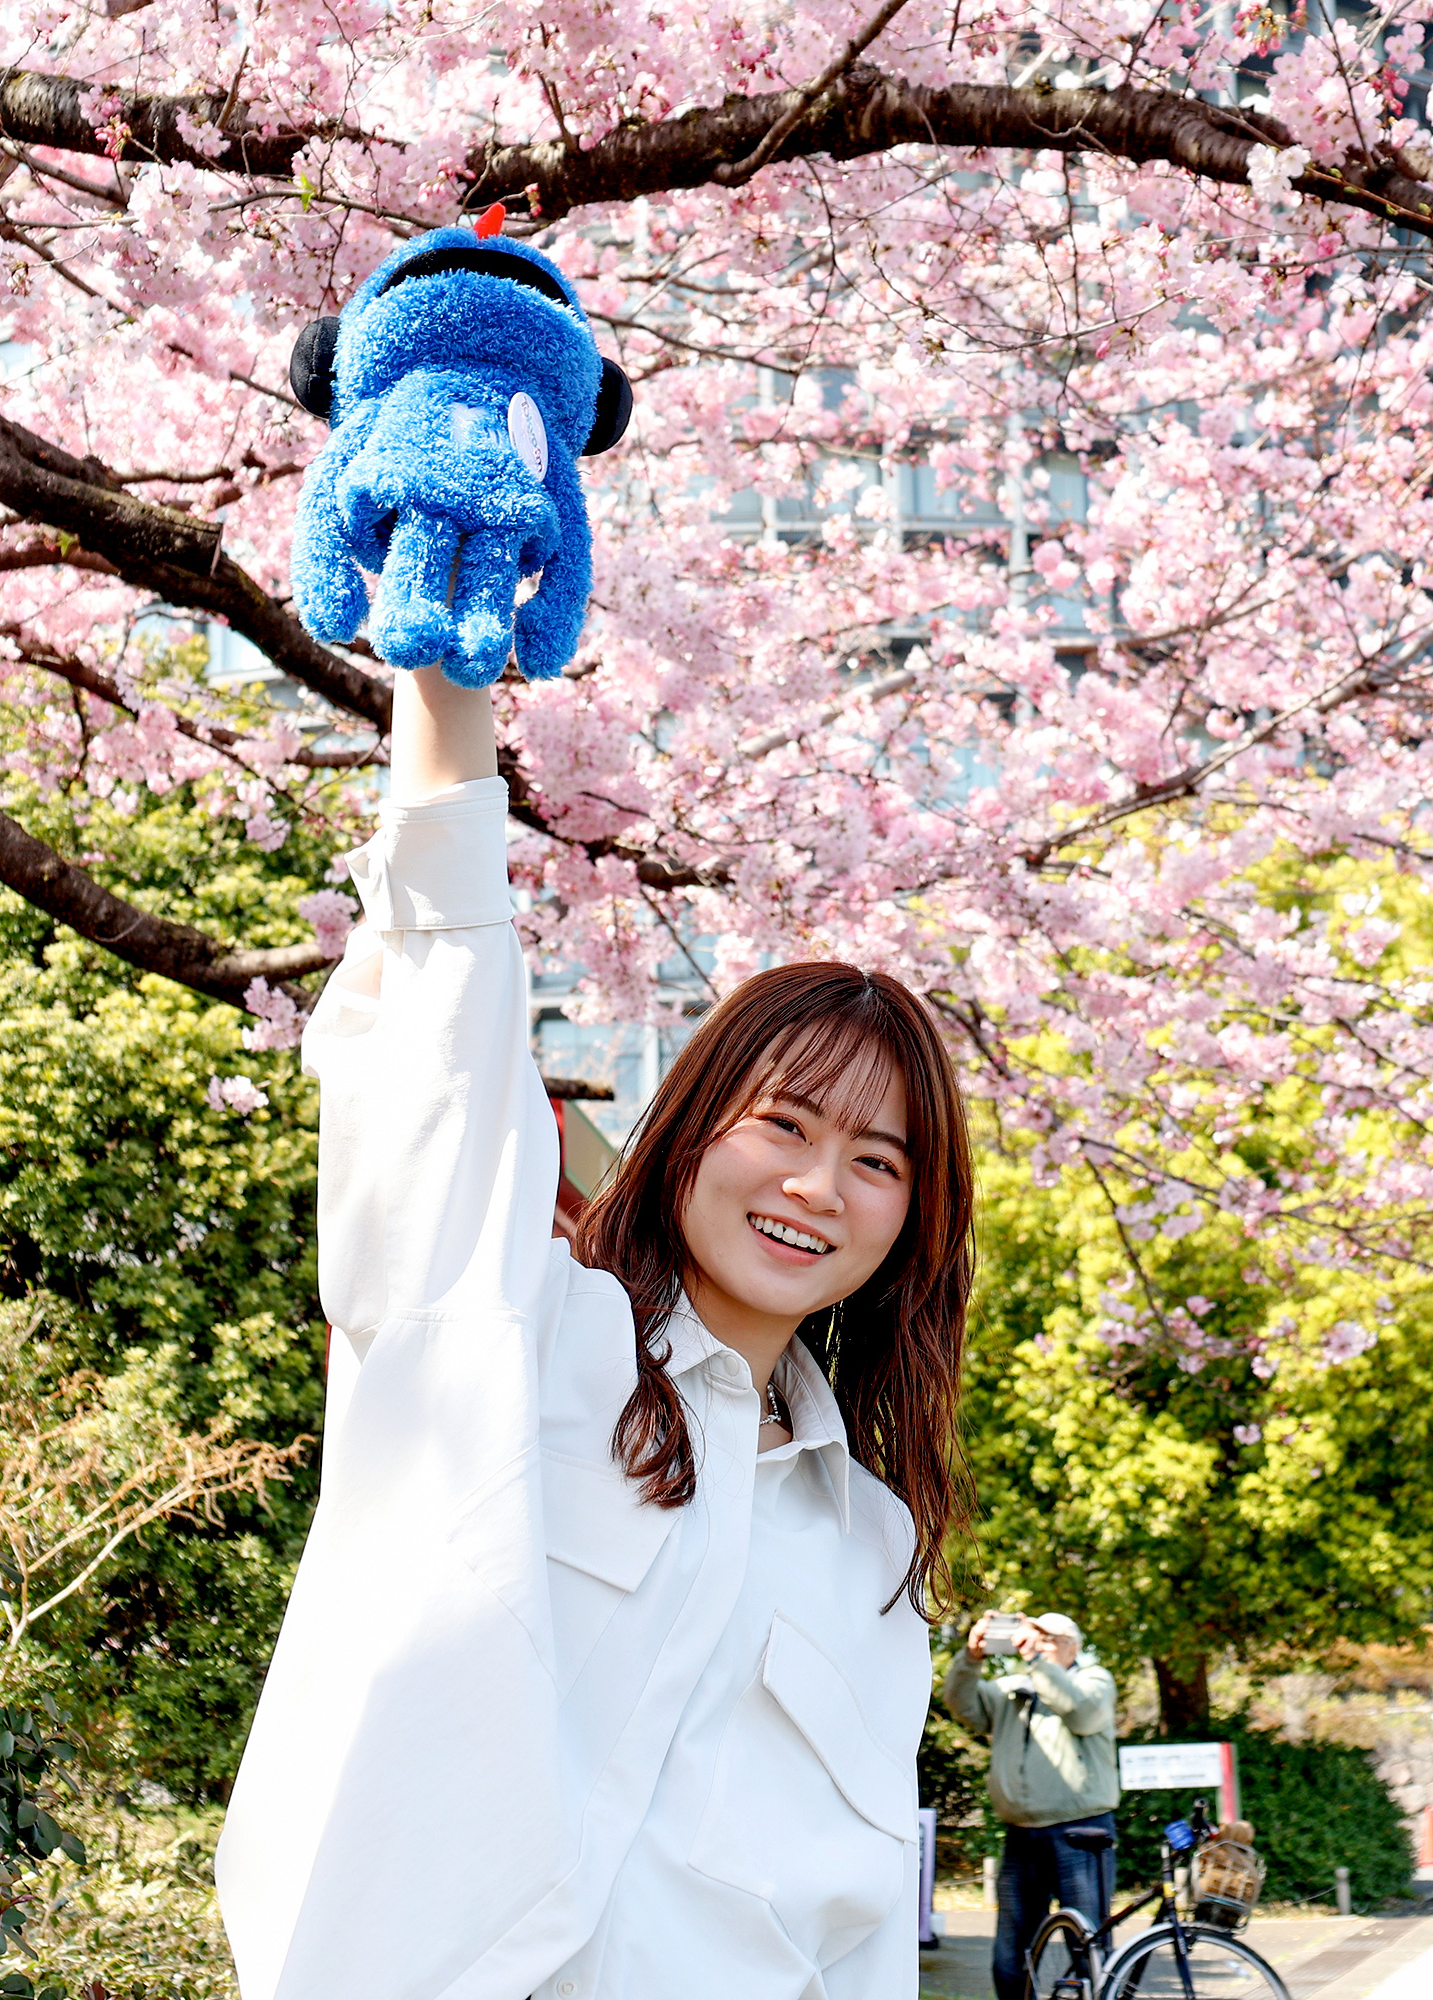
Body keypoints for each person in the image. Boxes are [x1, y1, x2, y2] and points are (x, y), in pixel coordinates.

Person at [209, 665, 977, 1999]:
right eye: (783, 1125)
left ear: (911, 1221)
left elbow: (853, 1929)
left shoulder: (869, 1545)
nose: (816, 1188)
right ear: (692, 1126)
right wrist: (444, 687)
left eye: (877, 1161)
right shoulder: (516, 1338)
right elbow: (442, 1059)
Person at [941, 1611, 1122, 2000]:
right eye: (1031, 1636)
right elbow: (960, 1703)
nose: (1036, 1643)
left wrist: (1038, 1664)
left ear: (1071, 1645)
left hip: (1082, 1831)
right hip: (1022, 1834)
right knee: (1012, 1949)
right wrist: (971, 1656)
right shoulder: (1014, 1690)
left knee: (1088, 1941)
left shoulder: (1094, 1680)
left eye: (1048, 1638)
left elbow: (1083, 1713)